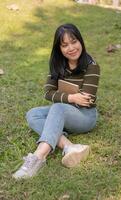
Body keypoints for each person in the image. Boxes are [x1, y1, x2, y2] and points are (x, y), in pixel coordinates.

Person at [13, 23, 100, 179]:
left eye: (74, 42)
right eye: (65, 45)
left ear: (80, 41)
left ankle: (38, 157)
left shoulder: (91, 66)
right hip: (62, 112)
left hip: (85, 117)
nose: (71, 48)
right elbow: (48, 92)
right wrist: (72, 97)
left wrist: (63, 96)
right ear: (59, 48)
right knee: (32, 114)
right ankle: (70, 146)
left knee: (58, 107)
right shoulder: (57, 64)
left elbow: (87, 100)